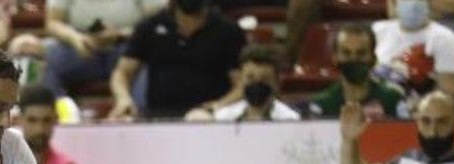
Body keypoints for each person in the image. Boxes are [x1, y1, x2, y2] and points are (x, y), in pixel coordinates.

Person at [108, 0, 245, 120]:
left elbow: (241, 84)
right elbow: (122, 73)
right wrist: (123, 99)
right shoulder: (150, 26)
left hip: (210, 119)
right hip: (159, 117)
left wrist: (218, 106)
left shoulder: (228, 31)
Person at [33, 0, 164, 99]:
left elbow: (159, 21)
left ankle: (140, 119)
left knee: (149, 63)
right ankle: (55, 120)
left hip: (130, 45)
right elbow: (53, 22)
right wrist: (76, 38)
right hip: (83, 45)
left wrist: (120, 34)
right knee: (50, 62)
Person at [372, 0, 454, 112]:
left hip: (420, 115)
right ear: (394, 2)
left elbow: (449, 96)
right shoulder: (377, 31)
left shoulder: (445, 38)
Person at [306, 23, 409, 120]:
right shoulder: (323, 104)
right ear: (335, 58)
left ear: (373, 58)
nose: (353, 59)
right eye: (346, 53)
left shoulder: (392, 98)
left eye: (361, 53)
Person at [199, 45, 301, 122]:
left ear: (276, 83)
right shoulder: (223, 118)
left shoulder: (290, 120)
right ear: (240, 80)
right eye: (250, 78)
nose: (257, 83)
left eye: (265, 79)